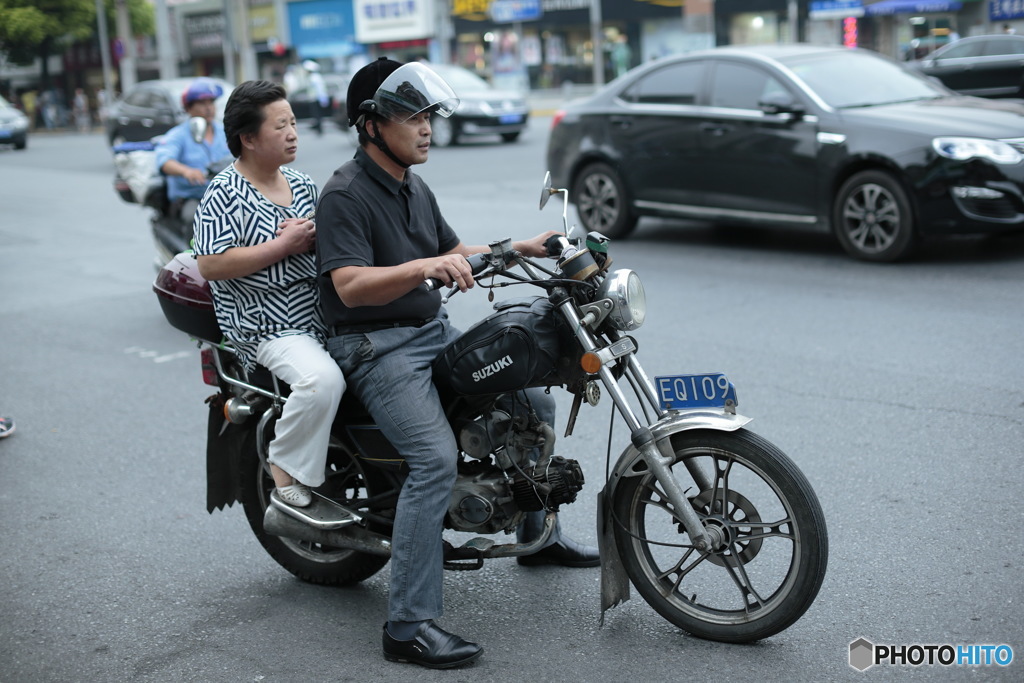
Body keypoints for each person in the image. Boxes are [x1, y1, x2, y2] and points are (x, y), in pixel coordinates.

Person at [315, 58, 599, 670]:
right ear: (371, 125)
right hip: (378, 347)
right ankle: (408, 624)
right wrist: (423, 270)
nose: (426, 128)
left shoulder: (414, 186)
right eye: (412, 116)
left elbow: (451, 252)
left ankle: (535, 536)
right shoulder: (343, 194)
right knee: (435, 459)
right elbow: (350, 285)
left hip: (430, 329)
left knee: (535, 400)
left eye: (428, 116)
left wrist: (520, 245)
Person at [193, 80, 344, 508]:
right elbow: (210, 263)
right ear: (249, 138)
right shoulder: (224, 192)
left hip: (319, 311)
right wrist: (282, 246)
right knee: (321, 380)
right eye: (281, 126)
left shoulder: (301, 182)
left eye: (293, 122)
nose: (293, 132)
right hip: (265, 323)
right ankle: (284, 464)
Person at [155, 78, 232, 227]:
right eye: (202, 103)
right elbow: (165, 161)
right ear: (188, 108)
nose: (208, 108)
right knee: (195, 219)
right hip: (192, 197)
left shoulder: (225, 132)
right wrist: (187, 172)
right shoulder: (178, 135)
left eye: (211, 102)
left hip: (224, 195)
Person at [303, 60, 329, 136]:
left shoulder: (315, 78)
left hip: (316, 99)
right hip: (313, 99)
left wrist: (323, 99)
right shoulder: (312, 77)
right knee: (316, 114)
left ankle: (319, 129)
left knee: (317, 114)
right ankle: (318, 128)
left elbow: (320, 89)